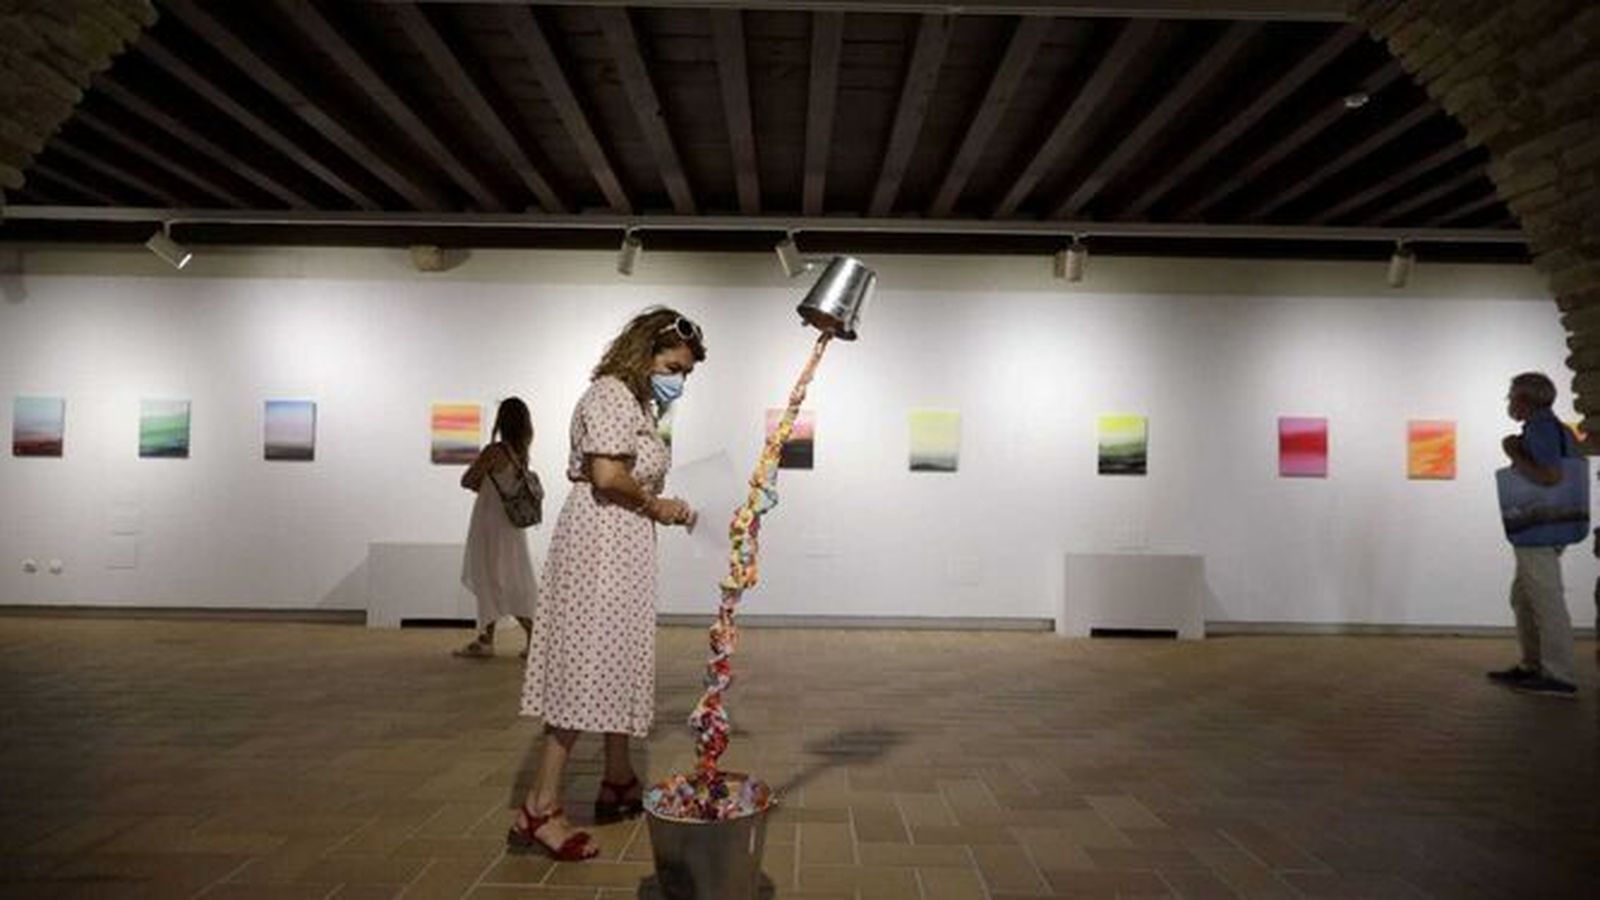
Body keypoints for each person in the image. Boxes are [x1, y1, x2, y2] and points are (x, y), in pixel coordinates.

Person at [509, 308, 704, 860]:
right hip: (600, 542)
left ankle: (617, 778)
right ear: (644, 353)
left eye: (686, 373)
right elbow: (607, 474)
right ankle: (539, 807)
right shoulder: (611, 395)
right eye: (674, 368)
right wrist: (657, 505)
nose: (679, 381)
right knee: (586, 665)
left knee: (615, 660)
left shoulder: (636, 402)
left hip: (622, 541)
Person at [1488, 372, 1579, 697]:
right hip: (1551, 525)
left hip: (1539, 527)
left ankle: (1559, 675)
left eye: (1512, 396)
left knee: (1545, 599)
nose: (1509, 402)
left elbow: (1550, 476)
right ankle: (1533, 665)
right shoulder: (1557, 429)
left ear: (1525, 399)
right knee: (1524, 596)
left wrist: (1512, 451)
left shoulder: (1541, 428)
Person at [454, 397, 539, 659]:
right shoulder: (521, 454)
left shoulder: (494, 451)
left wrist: (480, 482)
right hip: (510, 526)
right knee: (509, 576)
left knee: (490, 576)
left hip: (490, 523)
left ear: (501, 421)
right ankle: (492, 638)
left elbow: (467, 480)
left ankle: (498, 639)